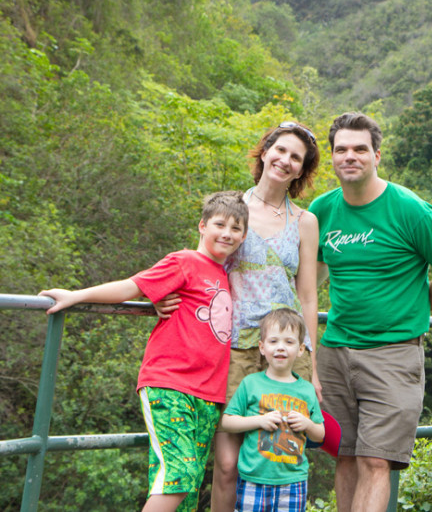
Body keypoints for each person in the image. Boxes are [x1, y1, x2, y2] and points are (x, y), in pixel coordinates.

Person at [39, 190, 249, 512]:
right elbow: (133, 286)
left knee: (186, 491)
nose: (227, 233)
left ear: (244, 235)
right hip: (170, 382)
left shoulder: (225, 275)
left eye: (236, 228)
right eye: (220, 224)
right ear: (202, 226)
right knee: (179, 475)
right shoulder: (184, 261)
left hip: (208, 393)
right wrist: (76, 295)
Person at [156, 121, 321, 512]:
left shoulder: (305, 221)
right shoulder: (234, 210)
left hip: (285, 350)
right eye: (279, 150)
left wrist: (312, 366)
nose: (285, 160)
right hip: (232, 347)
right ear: (264, 152)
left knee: (278, 456)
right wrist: (163, 296)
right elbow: (202, 262)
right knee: (227, 466)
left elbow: (309, 296)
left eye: (295, 157)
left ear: (301, 170)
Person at [309, 112, 432, 512]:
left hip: (393, 353)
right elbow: (311, 281)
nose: (351, 156)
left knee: (376, 459)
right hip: (335, 351)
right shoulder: (322, 210)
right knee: (344, 455)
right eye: (341, 149)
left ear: (377, 155)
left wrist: (414, 309)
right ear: (331, 157)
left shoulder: (409, 209)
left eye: (360, 149)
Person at [220, 308, 325, 512]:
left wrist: (308, 424)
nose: (280, 348)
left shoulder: (306, 389)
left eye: (289, 342)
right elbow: (227, 421)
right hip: (253, 478)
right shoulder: (250, 384)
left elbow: (320, 434)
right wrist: (258, 421)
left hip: (293, 481)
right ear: (262, 346)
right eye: (273, 341)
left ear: (301, 349)